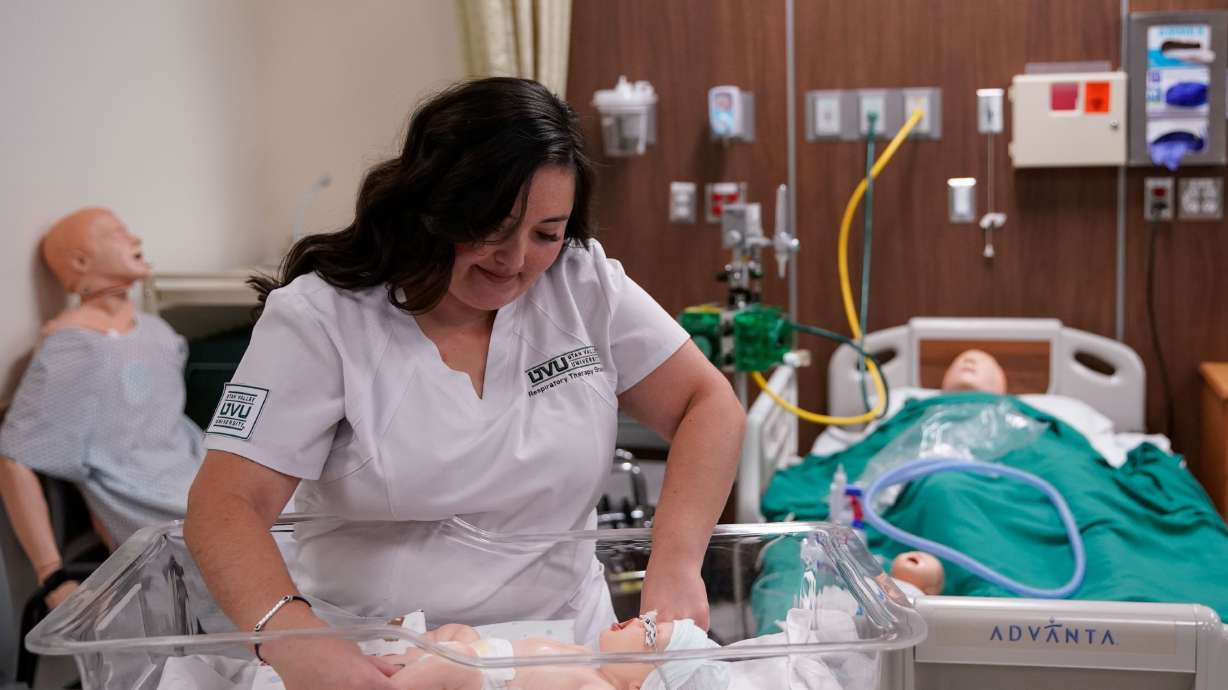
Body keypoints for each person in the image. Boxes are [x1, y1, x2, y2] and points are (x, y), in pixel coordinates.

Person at [183, 78, 745, 690]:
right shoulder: (324, 318)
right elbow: (225, 507)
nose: (515, 260)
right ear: (433, 202)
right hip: (379, 655)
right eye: (490, 227)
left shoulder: (580, 284)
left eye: (546, 233)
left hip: (562, 647)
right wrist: (292, 638)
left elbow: (708, 402)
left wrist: (677, 559)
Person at [0, 208, 205, 608]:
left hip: (198, 473)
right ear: (80, 262)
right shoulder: (72, 346)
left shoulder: (159, 334)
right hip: (154, 505)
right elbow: (14, 460)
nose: (135, 240)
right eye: (117, 233)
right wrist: (52, 577)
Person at [381, 613, 728, 690]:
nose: (642, 618)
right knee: (457, 634)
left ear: (642, 685)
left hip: (481, 681)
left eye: (650, 632)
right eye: (650, 619)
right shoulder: (587, 657)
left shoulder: (598, 688)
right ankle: (393, 661)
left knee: (447, 661)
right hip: (476, 654)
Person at [940, 349, 1007, 394]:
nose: (969, 360)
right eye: (959, 360)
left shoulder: (1012, 410)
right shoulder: (930, 408)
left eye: (982, 360)